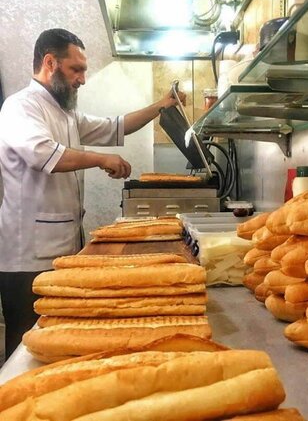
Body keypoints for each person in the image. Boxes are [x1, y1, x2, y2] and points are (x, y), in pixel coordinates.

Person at [0, 28, 186, 358]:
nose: (83, 80)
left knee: (56, 342)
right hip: (27, 256)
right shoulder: (20, 107)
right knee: (25, 348)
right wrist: (101, 159)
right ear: (50, 63)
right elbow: (43, 154)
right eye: (76, 70)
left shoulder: (66, 113)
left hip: (62, 247)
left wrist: (161, 106)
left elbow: (116, 126)